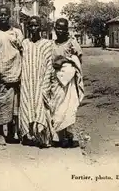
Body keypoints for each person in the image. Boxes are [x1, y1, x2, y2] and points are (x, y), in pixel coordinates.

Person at [0, 6, 24, 145]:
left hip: (14, 73)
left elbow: (22, 51)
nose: (3, 17)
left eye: (5, 15)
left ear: (9, 16)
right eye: (0, 15)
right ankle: (0, 134)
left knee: (14, 106)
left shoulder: (17, 32)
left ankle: (11, 133)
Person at [18, 16, 54, 148]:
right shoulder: (24, 43)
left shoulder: (47, 44)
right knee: (27, 106)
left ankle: (43, 138)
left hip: (41, 81)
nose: (33, 28)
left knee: (41, 106)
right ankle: (28, 135)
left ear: (40, 27)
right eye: (31, 26)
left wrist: (46, 83)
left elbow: (49, 64)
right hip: (27, 80)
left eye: (36, 25)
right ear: (28, 27)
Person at [50, 18, 84, 148]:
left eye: (63, 29)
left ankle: (67, 136)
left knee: (68, 108)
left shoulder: (72, 43)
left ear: (67, 30)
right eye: (58, 28)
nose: (60, 31)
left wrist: (64, 60)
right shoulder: (51, 44)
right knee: (57, 108)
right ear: (55, 29)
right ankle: (60, 136)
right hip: (55, 81)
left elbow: (78, 59)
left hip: (68, 82)